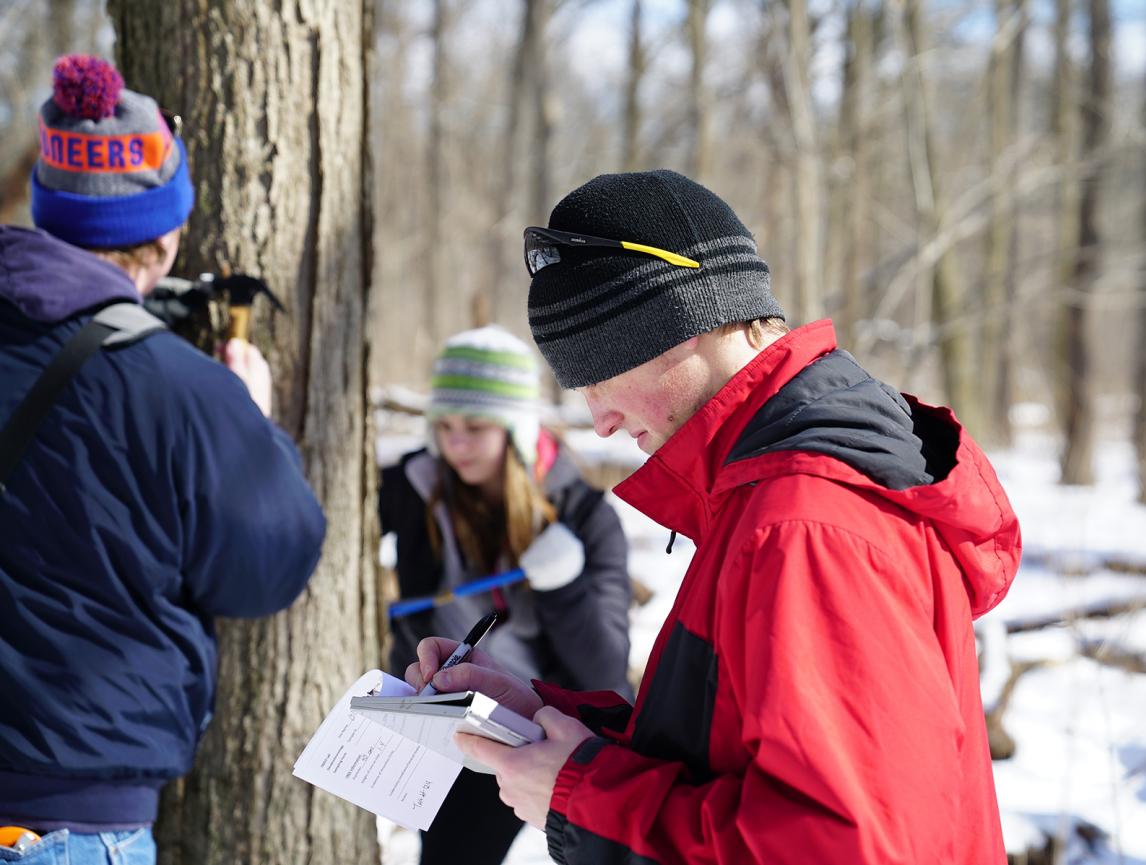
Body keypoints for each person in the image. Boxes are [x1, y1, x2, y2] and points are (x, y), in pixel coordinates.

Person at [406, 169, 1022, 864]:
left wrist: (582, 791)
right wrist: (538, 717)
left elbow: (845, 845)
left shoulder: (807, 524)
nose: (600, 421)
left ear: (676, 330)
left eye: (597, 377)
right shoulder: (762, 496)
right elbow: (730, 752)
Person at [0, 56, 325, 864]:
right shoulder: (183, 392)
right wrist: (248, 423)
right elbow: (269, 569)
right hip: (68, 817)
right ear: (168, 228)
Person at [380, 324, 632, 865]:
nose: (456, 443)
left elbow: (603, 669)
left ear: (516, 429)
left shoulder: (584, 516)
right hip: (445, 713)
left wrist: (563, 587)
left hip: (542, 724)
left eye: (476, 425)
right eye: (443, 425)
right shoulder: (416, 486)